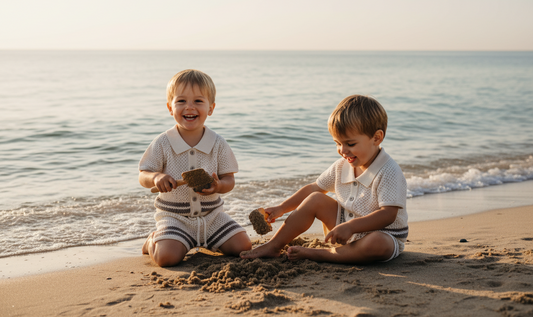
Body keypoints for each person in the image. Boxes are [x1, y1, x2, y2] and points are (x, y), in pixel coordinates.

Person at [241, 95, 408, 264]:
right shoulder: (341, 166)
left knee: (378, 244)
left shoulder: (388, 171)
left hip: (382, 234)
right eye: (337, 143)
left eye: (350, 144)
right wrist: (282, 208)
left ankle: (323, 254)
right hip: (342, 228)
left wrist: (351, 227)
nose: (343, 150)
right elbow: (314, 188)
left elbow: (388, 215)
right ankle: (274, 245)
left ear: (377, 138)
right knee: (315, 199)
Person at [139, 69, 251, 267]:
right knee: (167, 258)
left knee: (243, 246)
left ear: (211, 108)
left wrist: (218, 186)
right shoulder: (163, 143)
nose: (189, 107)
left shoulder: (217, 143)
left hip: (212, 217)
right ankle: (152, 241)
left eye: (198, 101)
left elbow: (229, 179)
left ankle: (208, 241)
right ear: (170, 107)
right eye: (181, 101)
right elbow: (143, 174)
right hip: (175, 219)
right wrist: (156, 177)